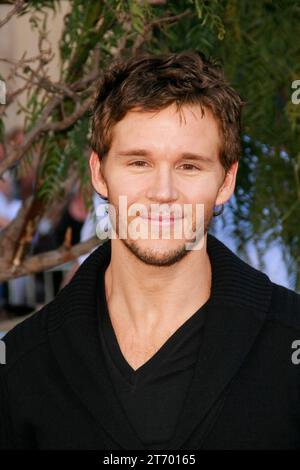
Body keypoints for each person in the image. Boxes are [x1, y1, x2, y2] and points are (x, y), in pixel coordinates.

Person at [1, 50, 300, 450]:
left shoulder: (289, 346)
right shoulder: (22, 363)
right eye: (139, 162)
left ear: (226, 181)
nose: (163, 193)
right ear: (99, 173)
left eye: (188, 166)